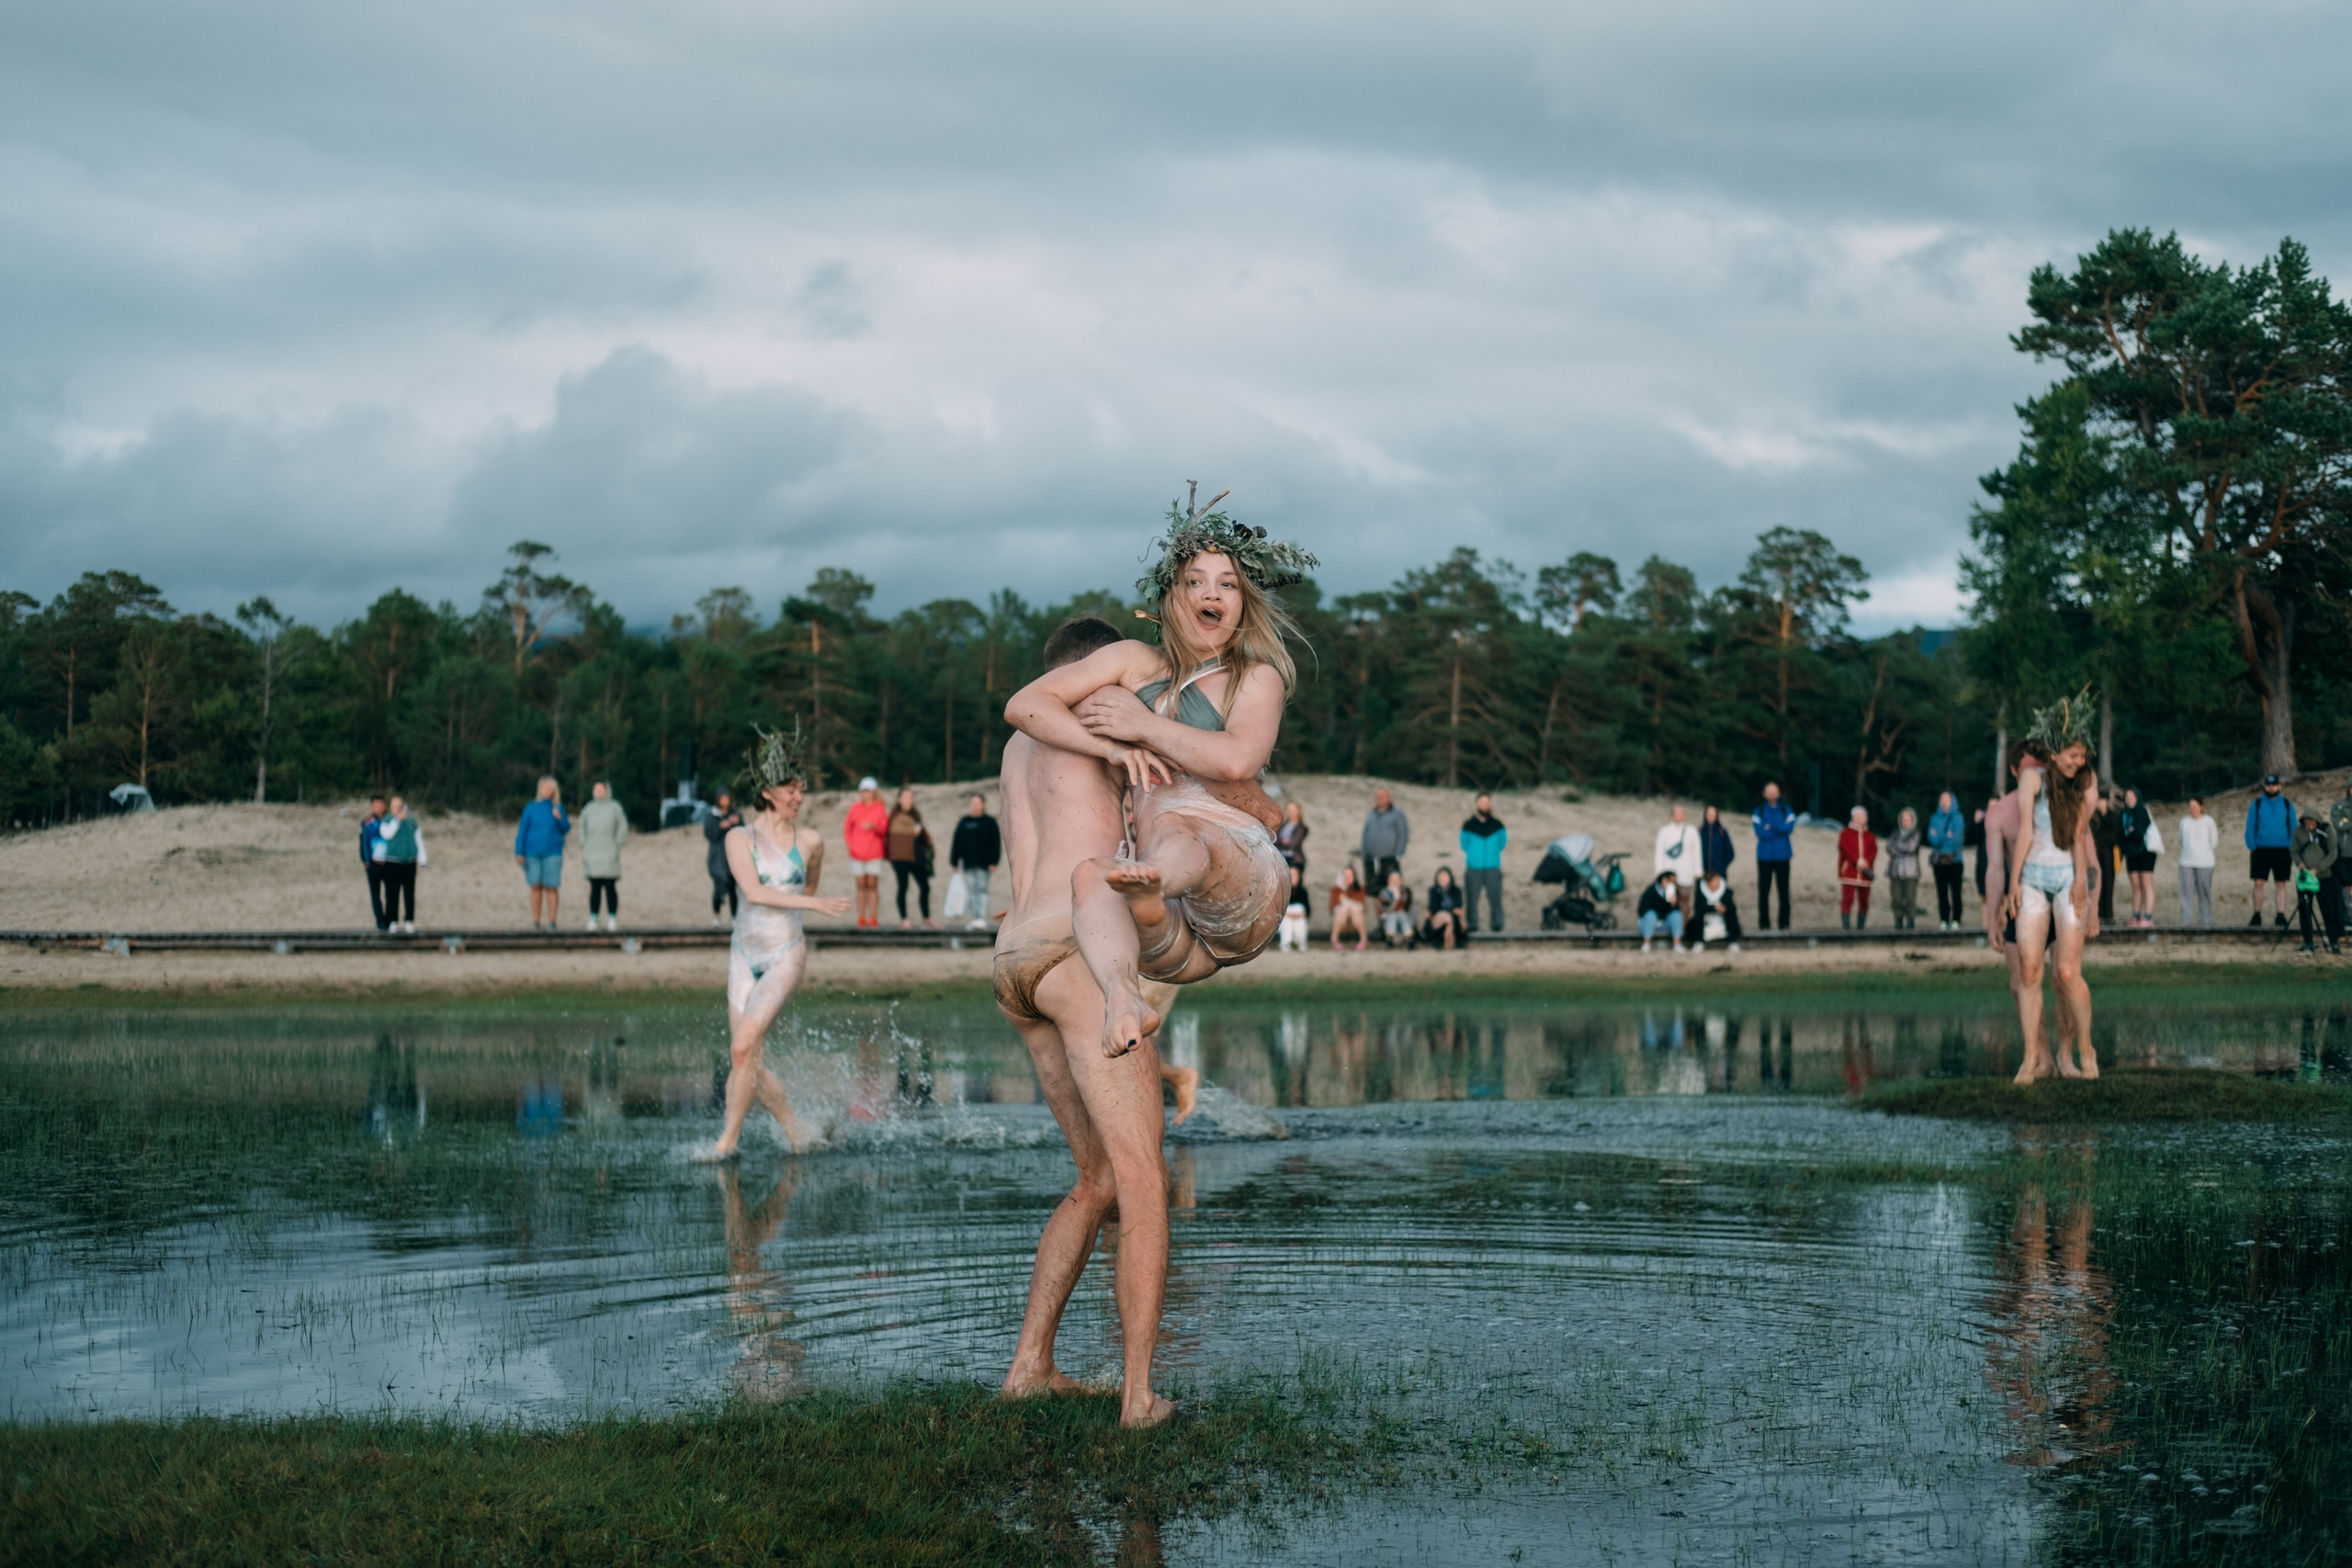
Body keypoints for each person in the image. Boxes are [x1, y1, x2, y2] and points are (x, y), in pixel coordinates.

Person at [992, 604, 1238, 1434]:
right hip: (1072, 951)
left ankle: (1030, 1366)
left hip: (1014, 960)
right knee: (1141, 1176)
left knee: (1095, 1177)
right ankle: (1139, 1397)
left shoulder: (1018, 744)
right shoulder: (1102, 725)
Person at [1007, 500, 1314, 1055]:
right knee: (1091, 878)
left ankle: (1153, 883)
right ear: (1171, 593)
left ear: (1244, 602)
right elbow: (1026, 706)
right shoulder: (1131, 659)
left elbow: (1236, 762)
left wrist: (1143, 727)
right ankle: (1123, 999)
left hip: (1239, 883)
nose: (1211, 594)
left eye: (1228, 584)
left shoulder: (1254, 676)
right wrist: (1108, 747)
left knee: (1179, 829)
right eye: (1196, 581)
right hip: (1171, 936)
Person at [699, 727, 854, 1161]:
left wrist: (810, 901)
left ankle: (726, 1143)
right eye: (790, 788)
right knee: (744, 1054)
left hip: (786, 954)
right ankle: (796, 1129)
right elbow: (752, 891)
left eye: (801, 788)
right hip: (743, 956)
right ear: (767, 792)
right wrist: (814, 902)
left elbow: (809, 882)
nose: (798, 795)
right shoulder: (738, 838)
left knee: (743, 1047)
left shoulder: (810, 841)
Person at [2002, 691, 2100, 1082]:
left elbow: (2078, 836)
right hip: (2032, 879)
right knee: (2029, 971)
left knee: (2066, 971)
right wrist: (2013, 883)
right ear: (2055, 752)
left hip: (2065, 878)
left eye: (2082, 755)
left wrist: (2082, 884)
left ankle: (2086, 1051)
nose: (2080, 761)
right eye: (2073, 755)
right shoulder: (2031, 779)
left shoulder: (2085, 784)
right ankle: (2030, 1058)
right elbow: (2025, 829)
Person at [514, 776, 569, 930]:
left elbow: (566, 828)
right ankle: (536, 922)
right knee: (535, 887)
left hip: (553, 853)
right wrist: (519, 852)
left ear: (554, 791)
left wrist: (559, 818)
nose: (547, 790)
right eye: (544, 787)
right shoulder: (530, 807)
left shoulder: (558, 808)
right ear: (539, 789)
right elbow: (522, 830)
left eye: (550, 788)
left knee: (551, 887)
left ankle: (552, 922)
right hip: (532, 853)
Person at [2245, 773, 2297, 929]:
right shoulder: (2257, 804)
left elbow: (2293, 827)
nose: (2271, 788)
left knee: (2281, 883)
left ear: (2279, 786)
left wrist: (2289, 845)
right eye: (2268, 785)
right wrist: (2252, 846)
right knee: (2259, 883)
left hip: (2282, 850)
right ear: (2265, 786)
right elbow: (2250, 826)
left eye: (2274, 785)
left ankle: (2280, 915)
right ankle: (2257, 914)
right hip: (2261, 849)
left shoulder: (2287, 804)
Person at [579, 780, 628, 931]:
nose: (599, 792)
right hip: (592, 853)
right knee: (594, 888)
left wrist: (617, 842)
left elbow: (622, 825)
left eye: (601, 789)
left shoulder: (614, 807)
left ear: (607, 790)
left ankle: (612, 918)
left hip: (609, 853)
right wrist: (584, 843)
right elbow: (582, 826)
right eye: (596, 789)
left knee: (610, 887)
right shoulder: (588, 809)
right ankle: (594, 918)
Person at [949, 793, 1001, 931]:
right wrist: (954, 862)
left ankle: (981, 918)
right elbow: (956, 842)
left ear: (983, 805)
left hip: (984, 865)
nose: (975, 806)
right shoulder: (964, 822)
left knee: (982, 890)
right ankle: (975, 918)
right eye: (973, 803)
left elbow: (995, 843)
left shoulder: (989, 822)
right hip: (967, 864)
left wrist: (994, 861)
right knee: (971, 892)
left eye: (978, 803)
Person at [374, 795, 424, 933]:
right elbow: (387, 835)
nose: (397, 808)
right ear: (391, 807)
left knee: (409, 893)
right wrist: (397, 820)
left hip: (409, 862)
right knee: (392, 894)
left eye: (399, 806)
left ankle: (409, 920)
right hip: (392, 862)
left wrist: (423, 858)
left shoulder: (411, 821)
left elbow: (418, 839)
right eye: (394, 806)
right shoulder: (387, 821)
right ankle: (393, 921)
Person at [887, 787, 935, 929]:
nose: (909, 800)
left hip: (917, 857)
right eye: (906, 797)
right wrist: (912, 832)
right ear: (899, 799)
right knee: (903, 887)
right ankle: (904, 919)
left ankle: (926, 918)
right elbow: (894, 835)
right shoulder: (894, 816)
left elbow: (922, 835)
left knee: (925, 887)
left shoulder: (916, 815)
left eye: (911, 797)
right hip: (900, 858)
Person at [844, 778, 889, 929]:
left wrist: (873, 826)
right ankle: (861, 916)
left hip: (874, 852)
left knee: (872, 884)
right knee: (860, 884)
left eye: (869, 791)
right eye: (864, 791)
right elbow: (847, 829)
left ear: (874, 792)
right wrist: (852, 846)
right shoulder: (855, 808)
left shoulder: (879, 808)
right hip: (857, 853)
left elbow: (884, 829)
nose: (866, 794)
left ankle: (873, 917)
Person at [1751, 783, 1796, 931]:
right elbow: (1760, 832)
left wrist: (1771, 826)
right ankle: (1764, 925)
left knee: (1784, 891)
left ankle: (1784, 924)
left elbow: (1788, 828)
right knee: (1763, 892)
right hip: (1764, 856)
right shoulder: (1759, 811)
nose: (1772, 795)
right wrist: (1778, 828)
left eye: (1774, 792)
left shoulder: (1786, 809)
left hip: (1783, 856)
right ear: (1764, 794)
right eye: (1769, 792)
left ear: (1779, 793)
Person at [1460, 794, 1506, 933]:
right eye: (1482, 802)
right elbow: (1464, 844)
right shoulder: (1468, 825)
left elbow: (1502, 843)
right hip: (1474, 868)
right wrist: (1475, 856)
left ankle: (1497, 925)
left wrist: (1492, 855)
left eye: (1487, 802)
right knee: (1472, 899)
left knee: (1495, 898)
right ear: (1477, 804)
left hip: (1493, 868)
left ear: (1490, 804)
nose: (1485, 805)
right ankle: (1472, 925)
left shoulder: (1498, 825)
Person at [2117, 787, 2158, 929]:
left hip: (2145, 852)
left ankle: (2148, 916)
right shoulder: (2123, 813)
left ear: (2137, 797)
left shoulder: (2142, 811)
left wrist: (2130, 831)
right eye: (2126, 797)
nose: (2129, 799)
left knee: (2146, 883)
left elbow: (2140, 831)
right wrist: (2130, 831)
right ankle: (2136, 915)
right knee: (2135, 886)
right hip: (2131, 853)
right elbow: (2121, 833)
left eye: (2131, 797)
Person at [1655, 804, 1701, 926]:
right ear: (1671, 816)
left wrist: (1698, 870)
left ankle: (1684, 927)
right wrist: (1660, 873)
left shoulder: (1692, 831)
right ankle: (1671, 928)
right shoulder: (1664, 831)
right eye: (1677, 814)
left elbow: (1696, 852)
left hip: (1686, 872)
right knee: (1670, 900)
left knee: (1685, 900)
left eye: (1682, 814)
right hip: (1669, 874)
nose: (1680, 816)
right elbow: (1659, 853)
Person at [1928, 791, 1966, 931]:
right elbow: (1932, 839)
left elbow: (1956, 840)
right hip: (1939, 862)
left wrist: (1940, 835)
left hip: (1955, 861)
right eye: (1942, 800)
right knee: (1942, 892)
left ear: (1952, 802)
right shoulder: (1934, 818)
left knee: (1956, 892)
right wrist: (1946, 835)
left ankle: (1956, 919)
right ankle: (1944, 919)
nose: (1944, 803)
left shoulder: (1958, 818)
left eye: (1947, 800)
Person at [2176, 796, 2217, 927]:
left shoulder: (2209, 821)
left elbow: (2214, 841)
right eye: (2190, 806)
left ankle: (2206, 922)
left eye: (2195, 806)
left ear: (2201, 807)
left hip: (2205, 863)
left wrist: (2203, 853)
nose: (2192, 809)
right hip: (2186, 862)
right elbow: (2181, 840)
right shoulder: (2184, 822)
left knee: (2204, 893)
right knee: (2186, 893)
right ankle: (2186, 922)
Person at [706, 788, 743, 925]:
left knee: (733, 888)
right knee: (719, 887)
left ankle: (734, 917)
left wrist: (735, 823)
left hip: (732, 855)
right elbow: (709, 834)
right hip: (717, 856)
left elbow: (742, 832)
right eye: (723, 797)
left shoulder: (736, 813)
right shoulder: (712, 815)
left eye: (727, 797)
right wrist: (722, 826)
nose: (725, 800)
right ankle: (716, 915)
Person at [1362, 787, 1409, 895]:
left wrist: (1398, 854)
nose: (1380, 798)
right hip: (1371, 860)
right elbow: (1365, 834)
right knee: (1373, 890)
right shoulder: (1371, 814)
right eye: (1378, 796)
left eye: (1383, 796)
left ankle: (1394, 911)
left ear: (1389, 798)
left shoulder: (1397, 814)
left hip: (1389, 860)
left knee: (1392, 889)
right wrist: (1364, 854)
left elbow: (1403, 834)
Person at [1837, 807, 1878, 930]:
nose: (1861, 819)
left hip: (1865, 873)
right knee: (1847, 899)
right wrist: (1857, 861)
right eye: (1858, 816)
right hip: (1849, 871)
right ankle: (1846, 927)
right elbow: (1845, 849)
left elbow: (1873, 851)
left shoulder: (1870, 835)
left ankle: (1861, 927)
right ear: (1853, 817)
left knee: (1864, 901)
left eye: (1863, 816)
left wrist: (1866, 862)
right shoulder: (1846, 833)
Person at [1885, 807, 1922, 931]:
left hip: (1911, 871)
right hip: (1895, 870)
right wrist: (1902, 848)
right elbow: (1889, 847)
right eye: (1903, 819)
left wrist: (1898, 847)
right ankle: (1898, 919)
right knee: (1896, 897)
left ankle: (1911, 920)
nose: (1905, 822)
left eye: (1908, 819)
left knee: (1910, 897)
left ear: (1913, 820)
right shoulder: (1895, 833)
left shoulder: (1916, 833)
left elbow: (1911, 848)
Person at [2090, 790, 2121, 927]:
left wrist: (2100, 840)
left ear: (2107, 801)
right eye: (2097, 800)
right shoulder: (2092, 817)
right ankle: (2097, 913)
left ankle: (2108, 914)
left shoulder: (2113, 815)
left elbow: (2115, 835)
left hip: (2109, 853)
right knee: (2096, 882)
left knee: (2109, 882)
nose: (2099, 803)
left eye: (2102, 800)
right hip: (2095, 852)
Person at [1692, 870, 1743, 953]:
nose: (1717, 883)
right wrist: (1713, 907)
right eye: (1715, 881)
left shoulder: (1725, 890)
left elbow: (1732, 907)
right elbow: (1698, 907)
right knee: (1697, 917)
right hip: (1707, 919)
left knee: (1732, 916)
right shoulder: (1701, 891)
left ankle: (1733, 942)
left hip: (1722, 918)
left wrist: (1724, 908)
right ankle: (1699, 942)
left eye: (1718, 880)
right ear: (1708, 883)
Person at [360, 795, 390, 931]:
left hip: (390, 863)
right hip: (374, 863)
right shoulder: (367, 822)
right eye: (376, 805)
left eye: (381, 805)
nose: (379, 808)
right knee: (375, 894)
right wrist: (367, 862)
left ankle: (390, 920)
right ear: (372, 806)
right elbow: (364, 843)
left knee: (390, 893)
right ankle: (380, 921)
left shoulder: (390, 820)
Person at [1637, 872, 1683, 954]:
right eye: (1671, 882)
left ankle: (1677, 944)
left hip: (1665, 922)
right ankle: (1646, 944)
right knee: (1651, 915)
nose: (1673, 884)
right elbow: (1643, 909)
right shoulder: (1651, 890)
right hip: (1651, 922)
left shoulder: (1674, 891)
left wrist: (1673, 904)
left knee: (1676, 915)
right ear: (1664, 880)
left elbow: (1675, 910)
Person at [1422, 866, 1466, 950]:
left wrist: (1450, 913)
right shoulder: (1433, 890)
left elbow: (1458, 905)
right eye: (1440, 877)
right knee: (1445, 918)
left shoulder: (1456, 890)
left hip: (1452, 915)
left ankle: (1454, 939)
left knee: (1453, 918)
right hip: (1438, 916)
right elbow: (1433, 907)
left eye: (1445, 876)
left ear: (1450, 877)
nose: (1442, 879)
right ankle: (1442, 940)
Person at [1329, 864, 1369, 951]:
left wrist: (1346, 901)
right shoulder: (1336, 890)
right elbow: (1332, 909)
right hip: (1342, 923)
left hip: (1355, 923)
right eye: (1346, 875)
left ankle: (1363, 940)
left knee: (1354, 909)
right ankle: (1335, 939)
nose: (1348, 878)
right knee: (1343, 909)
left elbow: (1363, 908)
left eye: (1350, 875)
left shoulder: (1359, 889)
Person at [1378, 868, 1416, 948]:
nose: (1395, 881)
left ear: (1401, 880)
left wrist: (1400, 895)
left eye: (1397, 879)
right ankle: (1390, 939)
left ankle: (1409, 939)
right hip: (1389, 921)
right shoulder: (1384, 893)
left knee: (1401, 914)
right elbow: (1387, 909)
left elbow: (1408, 907)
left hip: (1405, 920)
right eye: (1392, 879)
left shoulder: (1406, 892)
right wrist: (1396, 897)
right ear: (1389, 881)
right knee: (1393, 915)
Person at [1276, 799, 1309, 880]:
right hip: (1281, 858)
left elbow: (1293, 844)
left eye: (1293, 810)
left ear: (1298, 811)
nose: (1290, 812)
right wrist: (1283, 841)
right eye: (1288, 810)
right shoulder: (1283, 826)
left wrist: (1281, 842)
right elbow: (1275, 840)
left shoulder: (1301, 828)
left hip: (1294, 860)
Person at [1278, 871, 1311, 952]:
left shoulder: (1303, 892)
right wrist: (1290, 914)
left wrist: (1296, 914)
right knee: (1287, 922)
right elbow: (1279, 910)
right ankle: (1286, 944)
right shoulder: (1283, 892)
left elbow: (1307, 911)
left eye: (1295, 875)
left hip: (1299, 918)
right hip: (1286, 919)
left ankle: (1300, 943)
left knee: (1300, 921)